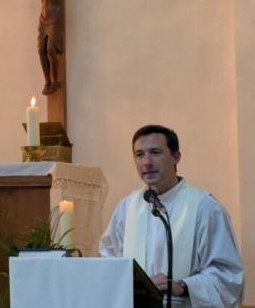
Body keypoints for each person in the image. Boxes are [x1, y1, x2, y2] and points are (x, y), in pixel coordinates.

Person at [99, 125, 243, 308]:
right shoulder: (127, 208)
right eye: (139, 154)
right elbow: (110, 262)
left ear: (176, 157)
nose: (147, 162)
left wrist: (183, 286)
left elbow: (227, 275)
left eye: (155, 152)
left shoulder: (205, 209)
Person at [0, 0, 111, 95]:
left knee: (51, 49)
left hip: (56, 19)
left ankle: (56, 81)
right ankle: (47, 82)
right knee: (40, 50)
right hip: (43, 19)